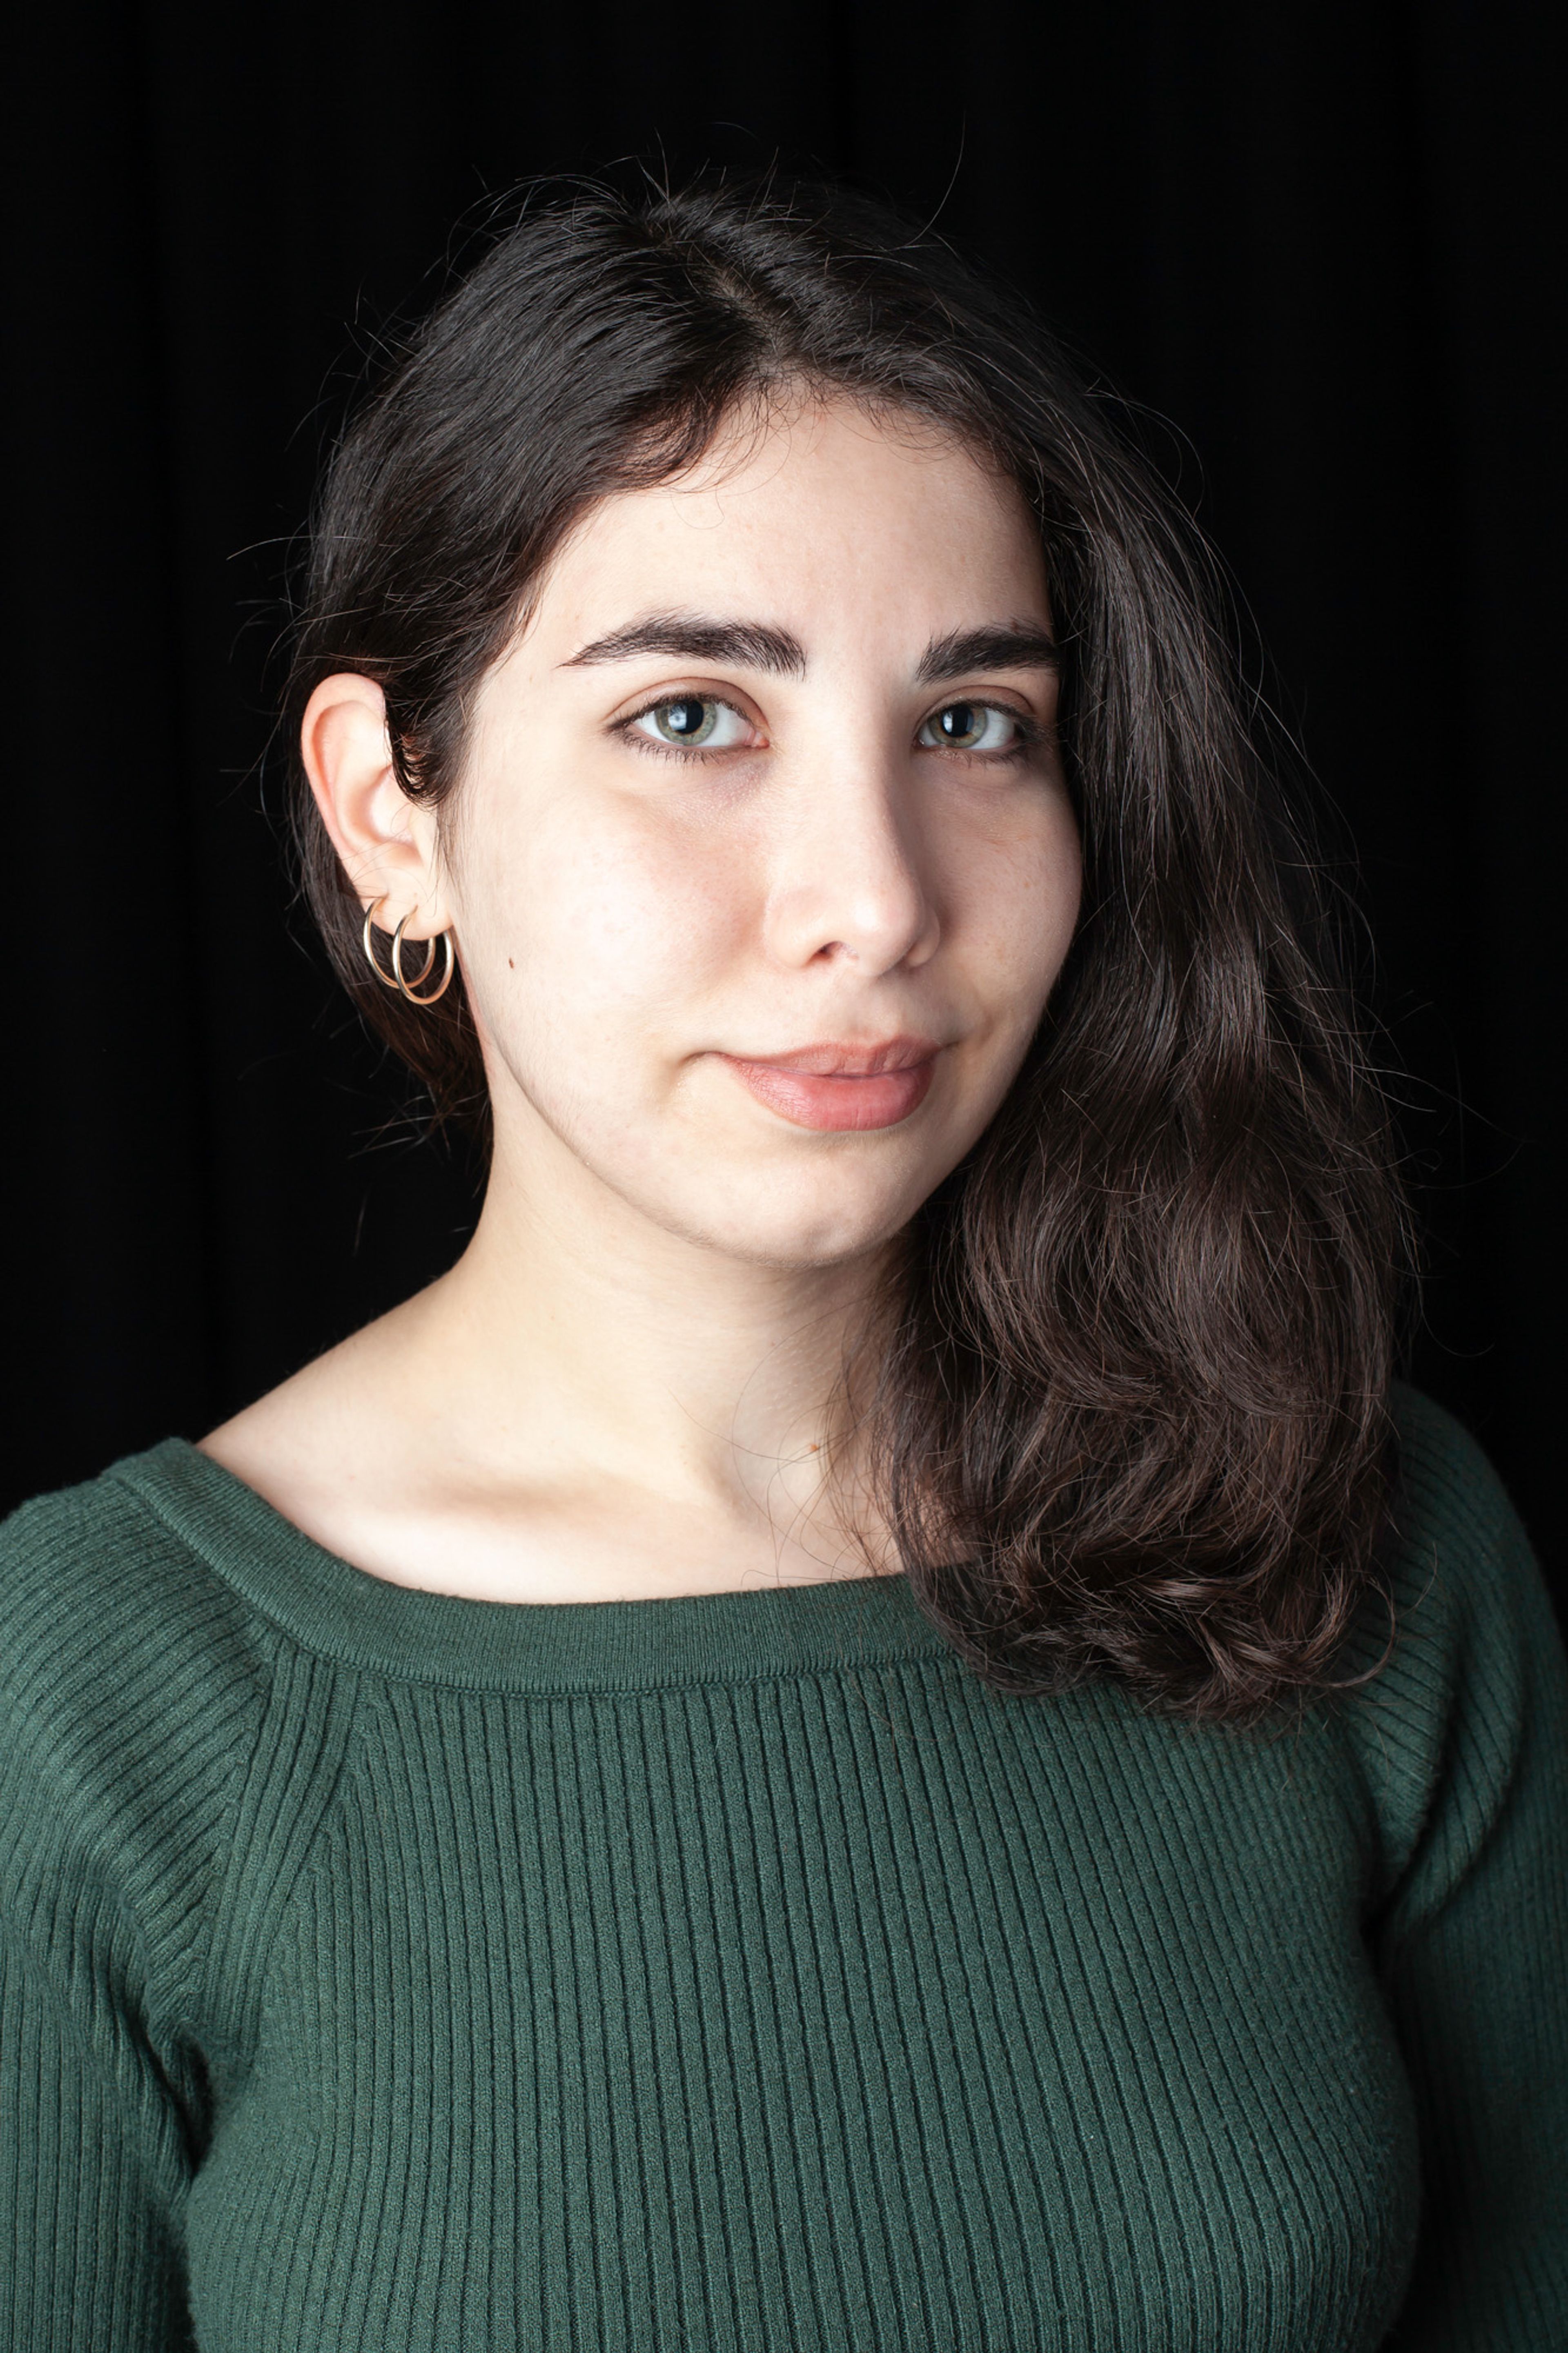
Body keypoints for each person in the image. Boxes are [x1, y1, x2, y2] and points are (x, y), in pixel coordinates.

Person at [1, 173, 1564, 2352]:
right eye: (693, 718)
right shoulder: (91, 1694)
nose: (875, 897)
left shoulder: (1370, 1546)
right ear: (391, 807)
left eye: (973, 725)